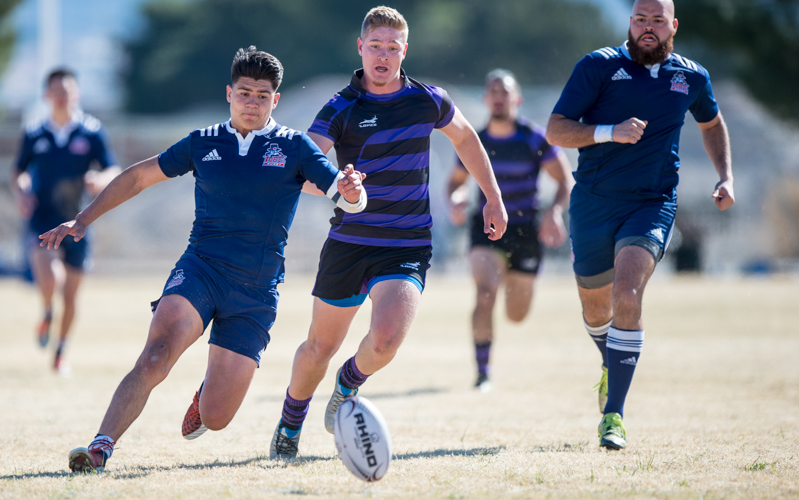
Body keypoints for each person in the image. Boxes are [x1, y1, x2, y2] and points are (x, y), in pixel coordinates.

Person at [48, 47, 367, 473]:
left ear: (275, 100)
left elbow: (350, 201)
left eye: (262, 95)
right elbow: (140, 176)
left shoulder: (296, 148)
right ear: (229, 94)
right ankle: (100, 447)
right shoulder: (204, 142)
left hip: (256, 289)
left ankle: (205, 394)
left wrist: (352, 191)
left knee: (216, 418)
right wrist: (83, 219)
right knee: (157, 354)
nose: (251, 102)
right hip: (201, 268)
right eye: (244, 93)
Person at [268, 6, 509, 460]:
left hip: (407, 244)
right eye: (375, 46)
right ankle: (289, 422)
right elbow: (304, 168)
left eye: (392, 48)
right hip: (350, 242)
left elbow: (466, 139)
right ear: (360, 48)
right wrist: (336, 182)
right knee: (320, 344)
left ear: (405, 50)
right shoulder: (340, 106)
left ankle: (348, 383)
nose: (383, 55)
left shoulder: (428, 99)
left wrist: (493, 199)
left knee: (386, 340)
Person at [546, 0, 734, 450]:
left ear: (673, 25)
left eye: (657, 20)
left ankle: (614, 415)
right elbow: (555, 129)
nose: (647, 28)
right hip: (592, 202)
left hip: (652, 203)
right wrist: (610, 131)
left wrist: (726, 175)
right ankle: (612, 361)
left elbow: (712, 123)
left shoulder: (692, 76)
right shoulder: (598, 67)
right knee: (595, 310)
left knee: (626, 293)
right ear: (630, 22)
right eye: (639, 19)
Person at [447, 69, 573, 392]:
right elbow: (456, 183)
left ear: (517, 99)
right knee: (485, 290)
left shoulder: (533, 138)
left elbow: (564, 181)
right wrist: (457, 201)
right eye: (493, 91)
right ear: (485, 98)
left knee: (516, 315)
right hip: (486, 227)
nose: (498, 96)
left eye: (505, 91)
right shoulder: (476, 141)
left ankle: (511, 279)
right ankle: (483, 373)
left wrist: (554, 212)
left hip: (525, 231)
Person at [11, 68, 121, 374]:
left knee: (71, 296)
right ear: (46, 96)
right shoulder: (34, 134)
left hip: (79, 223)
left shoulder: (92, 131)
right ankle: (47, 311)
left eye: (67, 90)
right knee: (51, 278)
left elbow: (114, 170)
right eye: (56, 91)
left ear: (77, 94)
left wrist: (99, 179)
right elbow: (18, 171)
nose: (62, 96)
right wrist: (22, 191)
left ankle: (60, 352)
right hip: (43, 219)